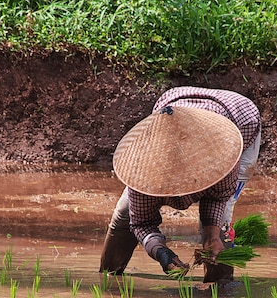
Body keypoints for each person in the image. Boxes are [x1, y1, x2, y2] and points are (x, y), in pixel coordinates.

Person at [99, 86, 261, 282]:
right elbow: (141, 223)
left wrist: (212, 235)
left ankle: (220, 287)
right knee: (125, 213)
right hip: (173, 108)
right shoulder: (142, 168)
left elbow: (218, 197)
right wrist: (160, 252)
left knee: (220, 225)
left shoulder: (222, 157)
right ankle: (108, 277)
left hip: (241, 121)